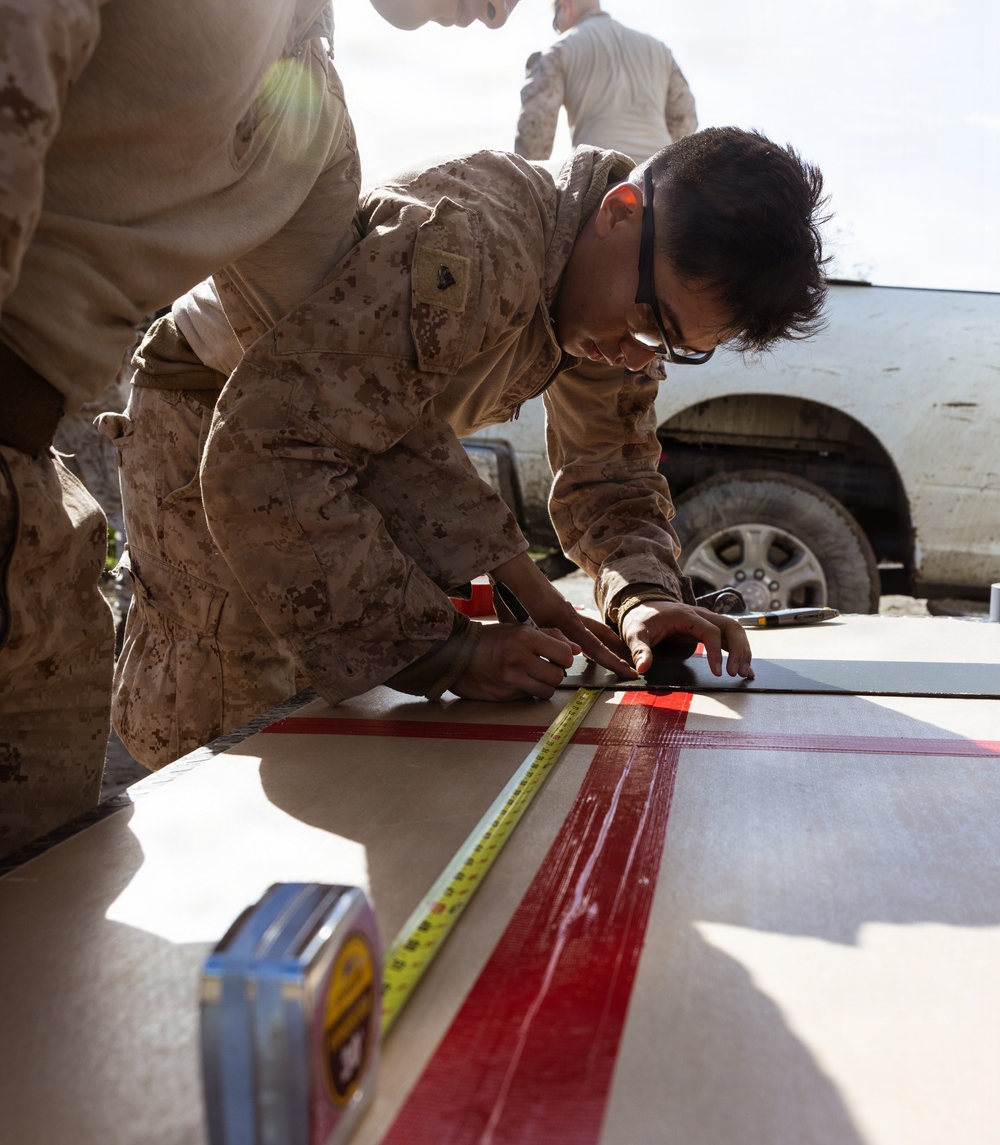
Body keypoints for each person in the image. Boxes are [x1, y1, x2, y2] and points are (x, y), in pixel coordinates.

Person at [0, 0, 631, 854]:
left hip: (29, 533)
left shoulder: (308, 124)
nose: (508, 6)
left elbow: (344, 396)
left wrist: (487, 575)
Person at [108, 127, 827, 768]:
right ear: (620, 211)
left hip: (335, 440)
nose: (639, 357)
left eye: (674, 347)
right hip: (210, 409)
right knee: (232, 719)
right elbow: (275, 449)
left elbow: (611, 479)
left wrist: (643, 597)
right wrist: (443, 651)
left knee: (327, 715)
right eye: (650, 323)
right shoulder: (474, 243)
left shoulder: (619, 287)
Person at [515, 0, 696, 163]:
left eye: (555, 23)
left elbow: (535, 128)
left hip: (602, 173)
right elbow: (685, 119)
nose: (558, 28)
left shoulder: (558, 51)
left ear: (566, 5)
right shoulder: (659, 50)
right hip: (660, 172)